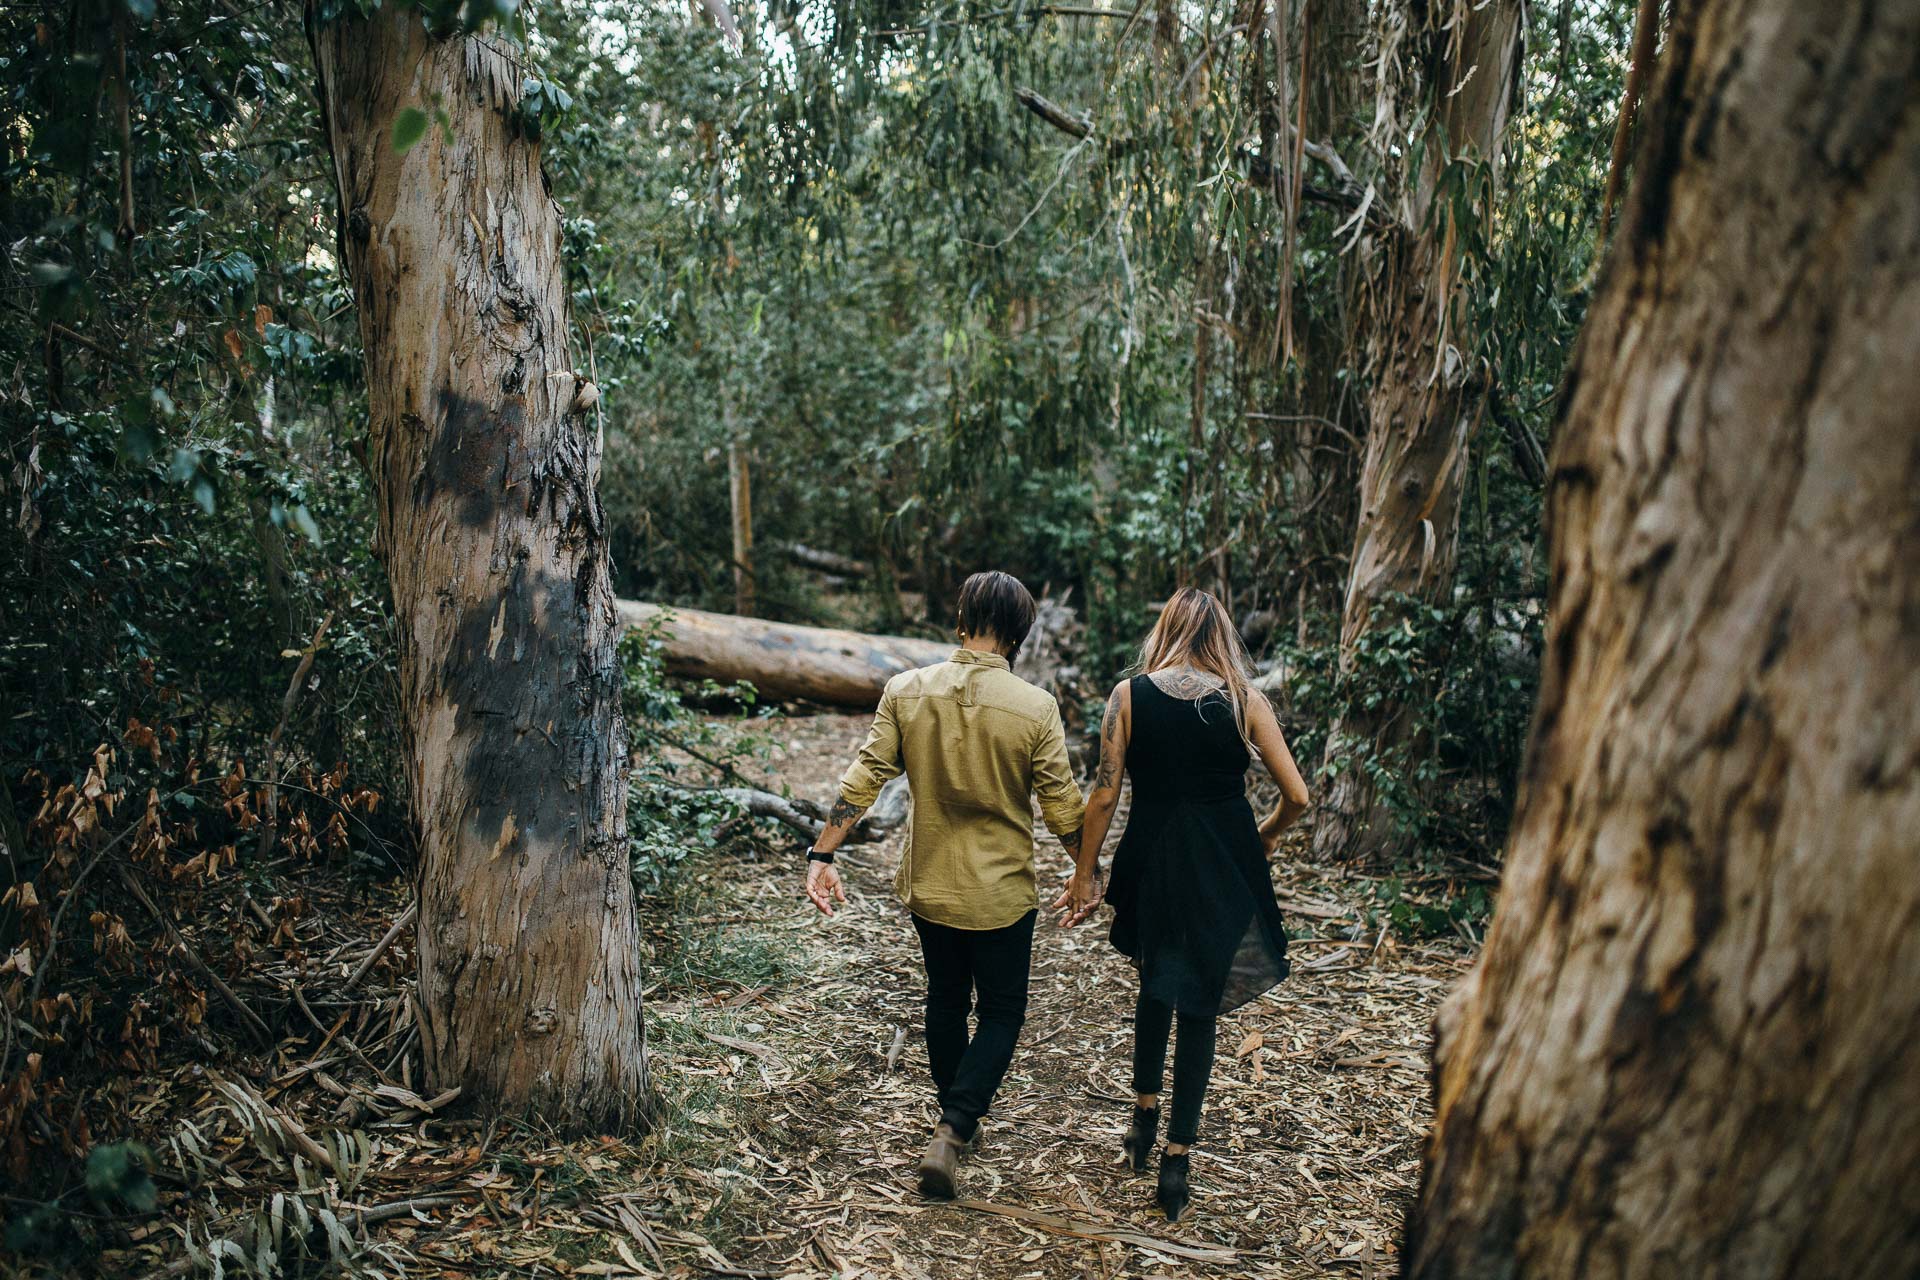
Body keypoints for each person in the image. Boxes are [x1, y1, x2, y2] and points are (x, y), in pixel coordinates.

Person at [804, 570, 1086, 1199]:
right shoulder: (1035, 707)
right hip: (1002, 892)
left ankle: (952, 1111)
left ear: (961, 623)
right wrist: (1084, 870)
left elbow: (864, 778)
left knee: (946, 998)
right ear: (1018, 635)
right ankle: (956, 1125)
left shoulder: (906, 690)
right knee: (1004, 1009)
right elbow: (1063, 805)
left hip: (931, 884)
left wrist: (821, 853)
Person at [1053, 587, 1310, 1222]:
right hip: (1226, 858)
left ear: (1165, 629)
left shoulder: (1128, 697)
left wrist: (1085, 876)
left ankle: (1143, 1116)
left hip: (1154, 855)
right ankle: (1177, 1159)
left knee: (1155, 982)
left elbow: (1105, 796)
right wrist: (1268, 834)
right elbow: (1298, 795)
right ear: (1222, 633)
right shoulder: (1246, 701)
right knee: (1201, 1004)